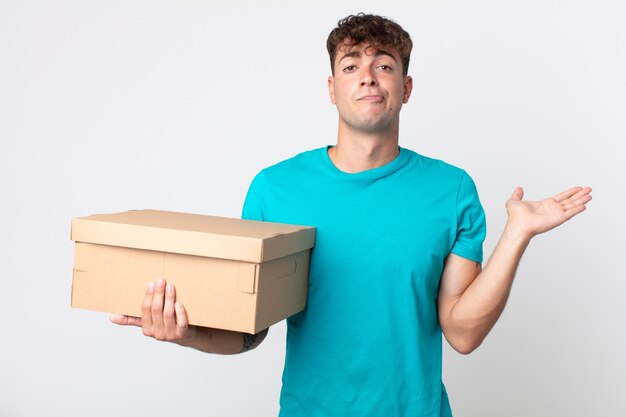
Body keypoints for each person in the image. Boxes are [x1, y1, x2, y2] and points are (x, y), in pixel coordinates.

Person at [111, 13, 592, 416]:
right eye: (351, 65)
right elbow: (248, 332)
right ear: (332, 88)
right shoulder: (275, 191)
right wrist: (186, 332)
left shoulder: (452, 191)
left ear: (404, 87)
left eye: (383, 65)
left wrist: (517, 234)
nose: (367, 76)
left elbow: (463, 333)